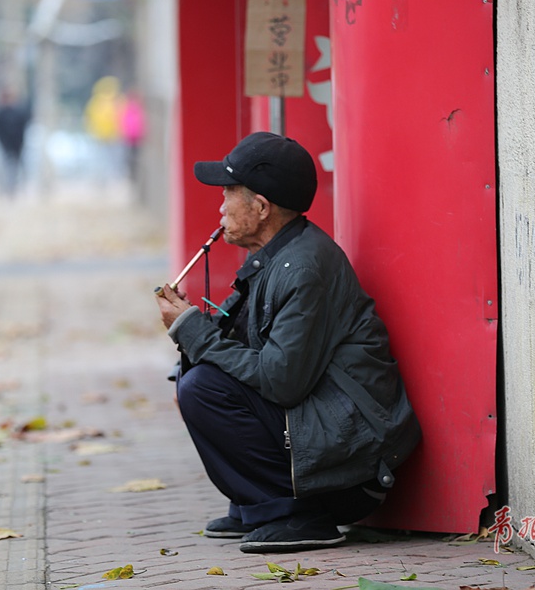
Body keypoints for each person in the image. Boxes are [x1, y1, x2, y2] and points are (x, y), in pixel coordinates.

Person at [155, 132, 421, 554]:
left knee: (203, 389)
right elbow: (234, 343)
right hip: (327, 440)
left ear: (261, 208)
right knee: (193, 379)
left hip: (355, 469)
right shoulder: (275, 255)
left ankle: (295, 514)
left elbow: (282, 381)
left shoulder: (303, 267)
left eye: (228, 194)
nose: (220, 207)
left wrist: (191, 331)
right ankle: (259, 503)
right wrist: (191, 337)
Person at [0, 89, 31, 198]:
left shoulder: (18, 112)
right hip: (7, 147)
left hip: (17, 146)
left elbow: (23, 128)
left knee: (18, 170)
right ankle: (8, 192)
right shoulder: (1, 113)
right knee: (7, 171)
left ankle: (19, 191)